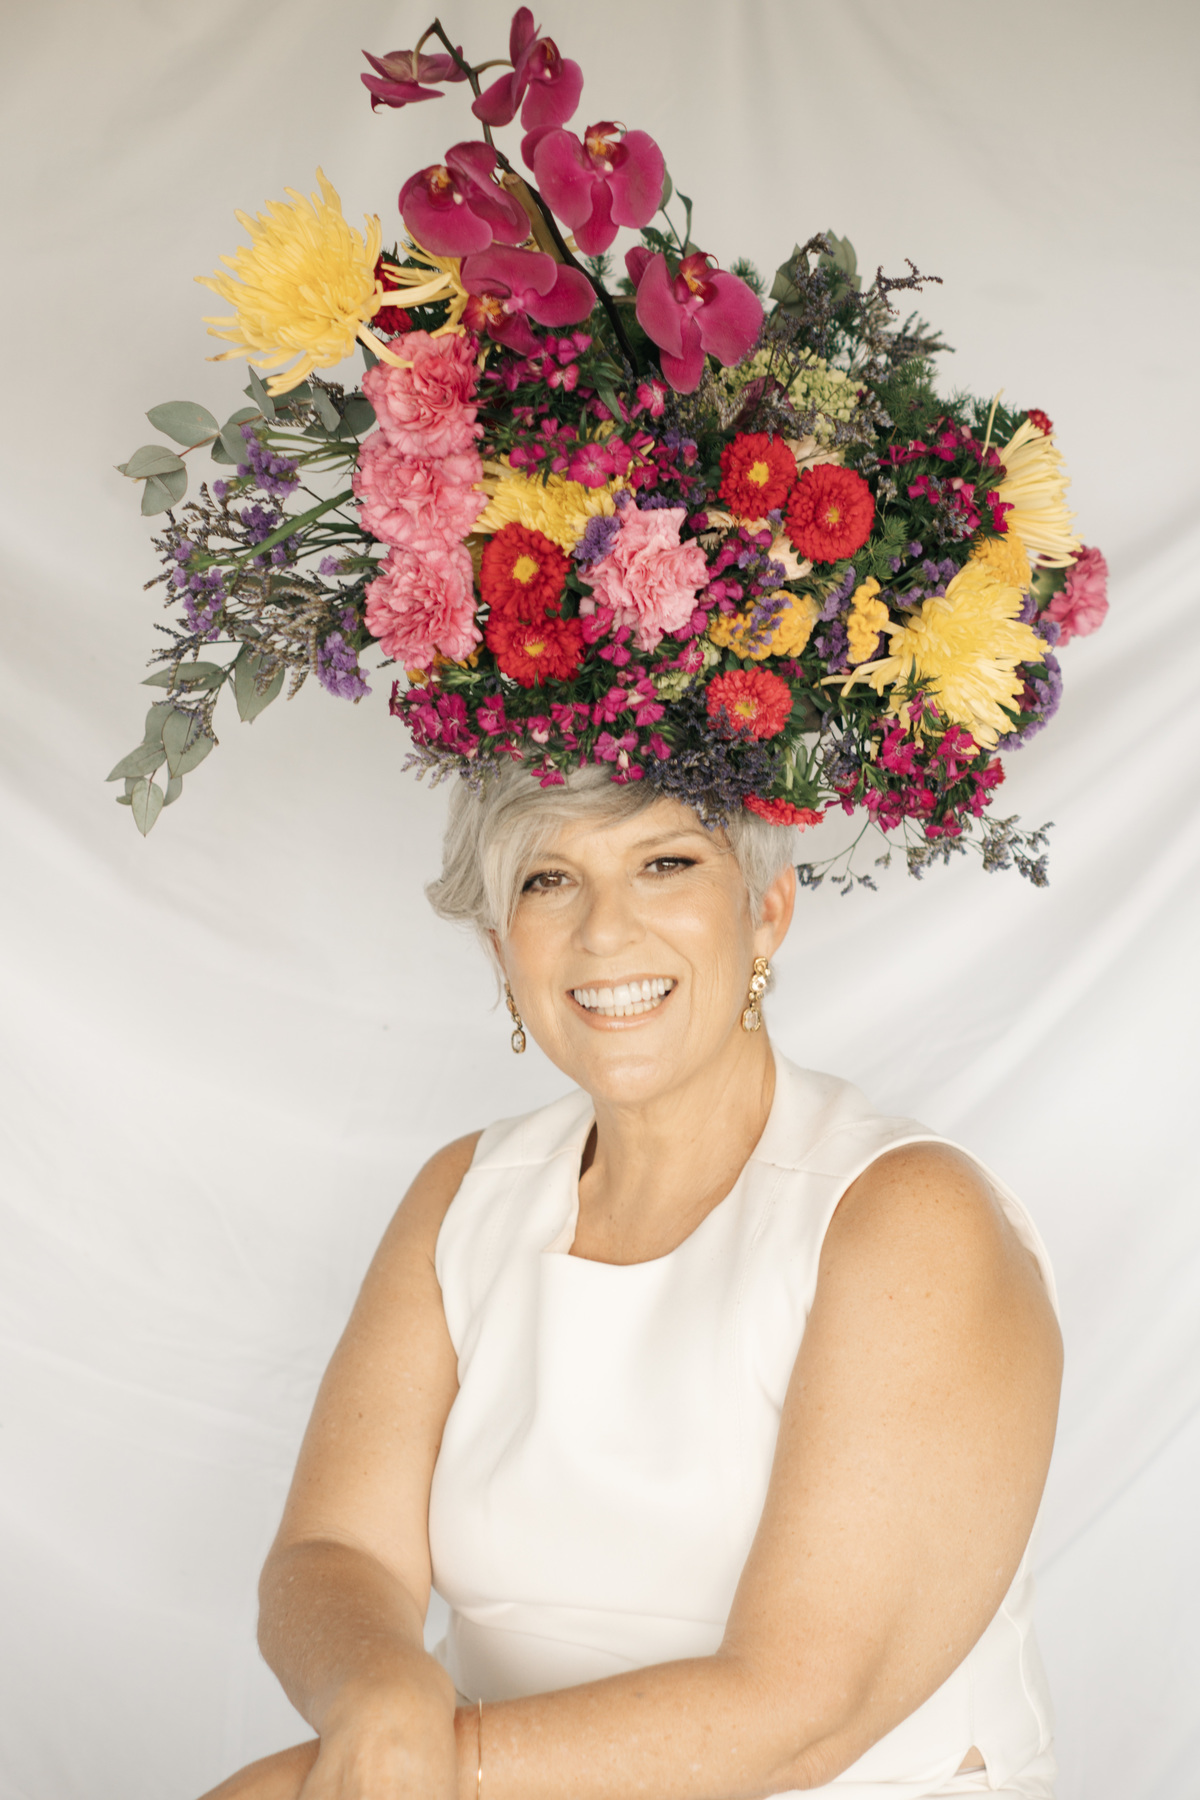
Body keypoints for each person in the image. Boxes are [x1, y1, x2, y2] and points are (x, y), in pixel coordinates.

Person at [200, 762, 1063, 1800]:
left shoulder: (908, 1218)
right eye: (548, 879)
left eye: (666, 864)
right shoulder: (464, 1195)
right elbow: (336, 1549)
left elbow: (798, 1712)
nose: (604, 932)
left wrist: (399, 1767)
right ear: (499, 948)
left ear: (767, 910)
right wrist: (379, 1695)